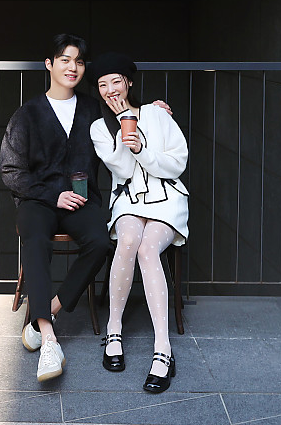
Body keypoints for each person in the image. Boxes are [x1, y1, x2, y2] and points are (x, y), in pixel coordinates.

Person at [0, 33, 111, 382]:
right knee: (35, 239)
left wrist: (153, 112)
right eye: (65, 59)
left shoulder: (93, 109)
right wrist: (52, 194)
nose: (72, 67)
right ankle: (48, 338)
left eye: (79, 61)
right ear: (49, 64)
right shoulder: (28, 114)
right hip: (38, 200)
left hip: (81, 200)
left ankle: (46, 312)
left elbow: (126, 115)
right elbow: (10, 171)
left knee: (101, 242)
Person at [89, 52, 189, 394]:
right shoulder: (99, 128)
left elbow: (176, 164)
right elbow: (123, 169)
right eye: (102, 84)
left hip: (167, 199)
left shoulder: (157, 114)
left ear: (129, 82)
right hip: (129, 199)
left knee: (148, 250)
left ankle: (163, 349)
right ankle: (113, 329)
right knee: (129, 239)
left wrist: (142, 147)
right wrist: (123, 125)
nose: (110, 89)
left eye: (116, 81)